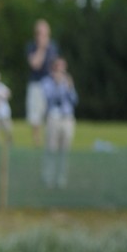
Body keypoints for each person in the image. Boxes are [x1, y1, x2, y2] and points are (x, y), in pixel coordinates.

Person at [41, 57, 79, 188]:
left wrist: (69, 87)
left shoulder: (68, 82)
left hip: (67, 118)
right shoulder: (47, 82)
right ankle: (48, 177)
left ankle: (61, 177)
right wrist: (57, 85)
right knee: (51, 148)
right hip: (54, 118)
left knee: (65, 150)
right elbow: (49, 99)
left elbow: (74, 100)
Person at [25, 19, 59, 147]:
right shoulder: (32, 46)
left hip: (49, 83)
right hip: (36, 83)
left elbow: (55, 65)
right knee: (35, 114)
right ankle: (36, 141)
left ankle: (50, 141)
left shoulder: (53, 46)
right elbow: (35, 65)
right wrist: (41, 48)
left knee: (51, 113)